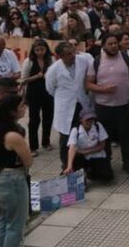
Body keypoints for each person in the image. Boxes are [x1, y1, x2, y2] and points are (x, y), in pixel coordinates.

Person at [85, 31, 129, 175]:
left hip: (124, 105)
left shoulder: (127, 58)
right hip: (103, 106)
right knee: (105, 136)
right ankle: (106, 162)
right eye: (110, 44)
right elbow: (89, 84)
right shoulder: (96, 61)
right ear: (103, 45)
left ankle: (127, 162)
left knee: (126, 135)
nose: (114, 46)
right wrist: (102, 89)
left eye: (115, 43)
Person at [0, 94, 33, 247]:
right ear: (12, 111)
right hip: (14, 179)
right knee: (16, 223)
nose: (25, 107)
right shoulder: (14, 135)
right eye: (22, 105)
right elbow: (29, 161)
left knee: (4, 219)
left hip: (0, 178)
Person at [46, 41, 93, 169]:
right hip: (65, 106)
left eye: (72, 52)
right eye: (68, 54)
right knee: (66, 138)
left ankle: (83, 165)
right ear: (60, 56)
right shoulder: (54, 69)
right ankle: (66, 165)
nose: (72, 55)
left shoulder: (83, 61)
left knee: (83, 134)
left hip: (82, 104)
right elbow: (50, 88)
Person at [20, 39, 55, 155]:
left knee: (48, 118)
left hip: (48, 93)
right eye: (37, 50)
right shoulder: (28, 61)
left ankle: (46, 142)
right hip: (34, 93)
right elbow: (23, 79)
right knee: (34, 119)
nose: (40, 52)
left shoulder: (51, 60)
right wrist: (37, 76)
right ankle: (33, 147)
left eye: (42, 49)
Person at [64, 109, 114, 183]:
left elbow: (102, 146)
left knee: (108, 176)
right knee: (76, 157)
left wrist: (85, 151)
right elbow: (72, 148)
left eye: (92, 119)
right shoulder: (75, 130)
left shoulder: (98, 126)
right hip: (81, 157)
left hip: (97, 155)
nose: (90, 121)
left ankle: (91, 172)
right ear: (81, 120)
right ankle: (79, 177)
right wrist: (69, 166)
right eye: (87, 119)